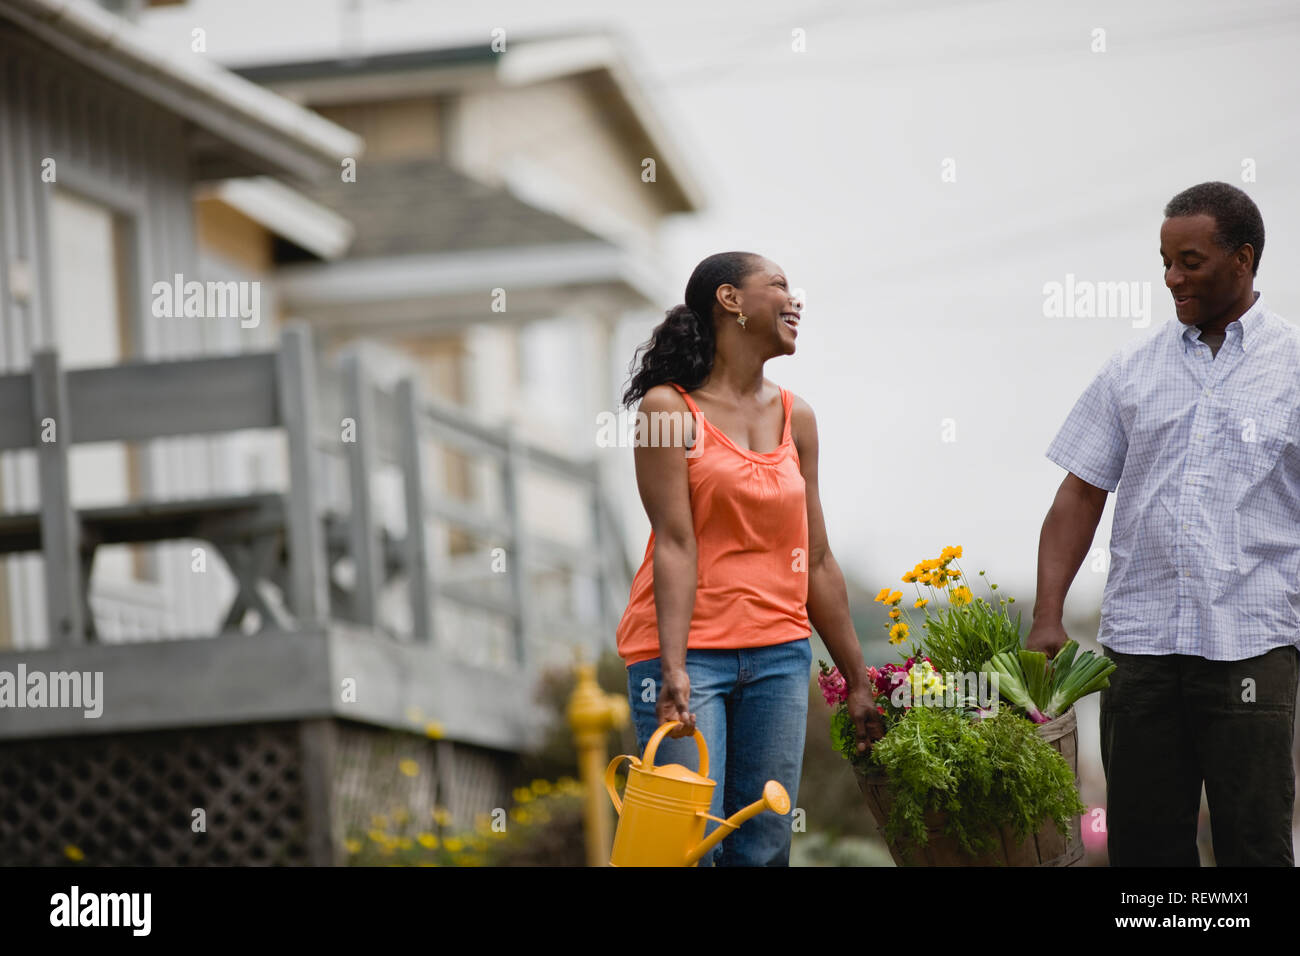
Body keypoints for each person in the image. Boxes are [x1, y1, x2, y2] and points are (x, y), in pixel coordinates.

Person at [1029, 182, 1300, 866]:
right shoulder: (1131, 368)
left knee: (1255, 840)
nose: (1172, 278)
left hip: (1252, 644)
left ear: (1243, 259)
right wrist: (1048, 614)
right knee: (1146, 849)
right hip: (1141, 649)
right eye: (1164, 261)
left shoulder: (1293, 368)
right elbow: (1079, 495)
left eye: (1191, 260)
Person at [615, 251, 884, 866]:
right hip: (686, 657)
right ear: (730, 300)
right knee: (683, 847)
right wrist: (675, 667)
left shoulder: (799, 418)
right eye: (780, 286)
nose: (795, 301)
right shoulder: (667, 411)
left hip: (778, 657)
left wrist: (857, 680)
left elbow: (815, 559)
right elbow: (676, 543)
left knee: (763, 846)